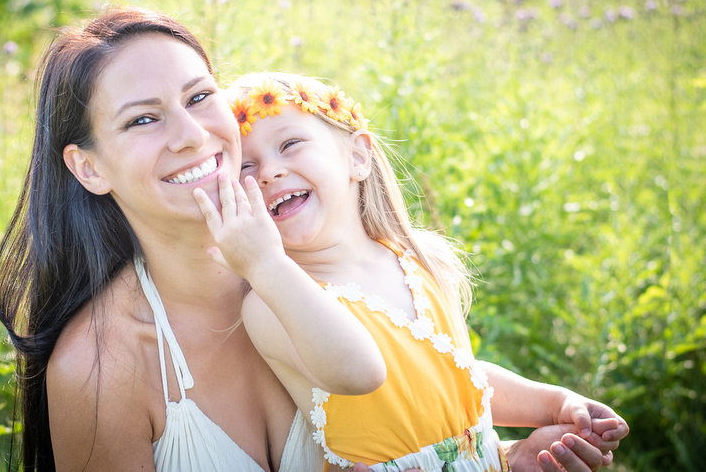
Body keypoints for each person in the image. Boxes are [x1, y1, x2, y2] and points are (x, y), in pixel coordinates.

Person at [0, 5, 622, 472]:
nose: (190, 135)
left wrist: (511, 458)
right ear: (89, 167)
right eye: (144, 119)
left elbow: (416, 418)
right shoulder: (100, 368)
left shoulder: (320, 271)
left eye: (200, 96)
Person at [193, 72, 629, 471]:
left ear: (358, 157)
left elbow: (453, 374)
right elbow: (358, 371)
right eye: (246, 167)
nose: (269, 171)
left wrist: (553, 404)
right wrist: (265, 264)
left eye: (290, 144)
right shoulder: (273, 302)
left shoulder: (419, 260)